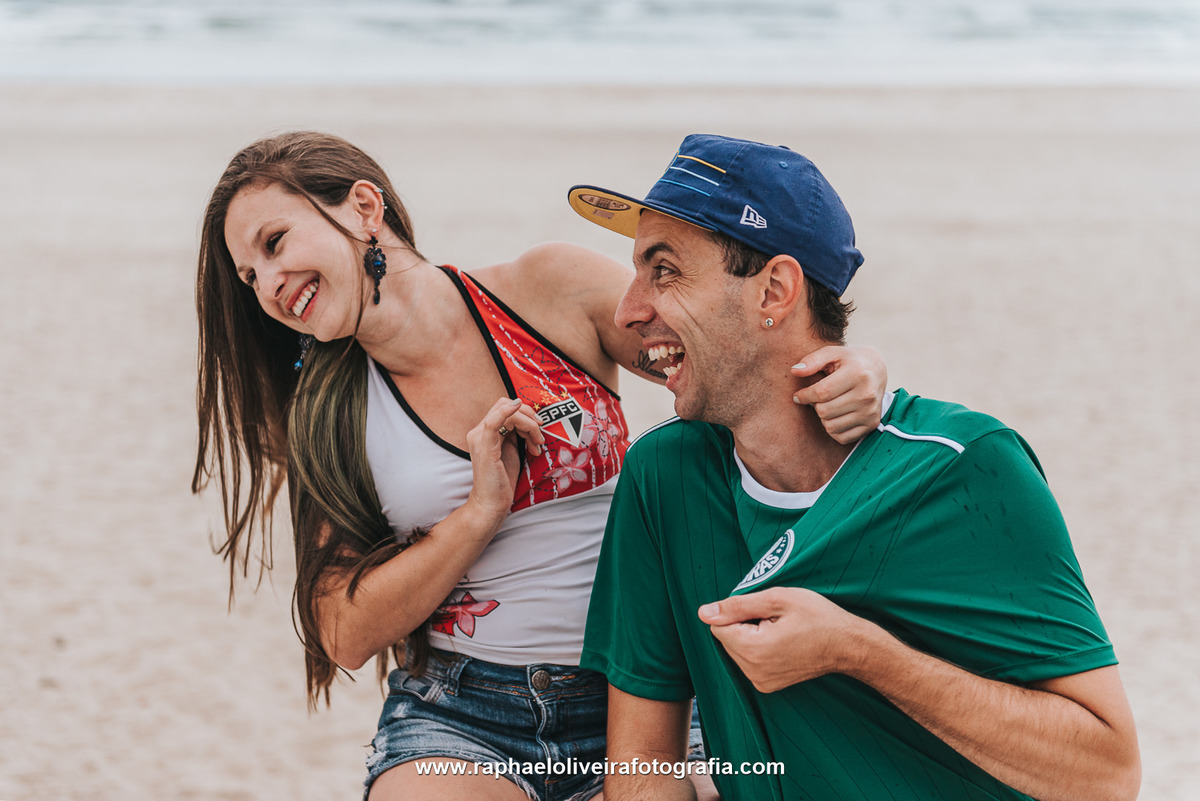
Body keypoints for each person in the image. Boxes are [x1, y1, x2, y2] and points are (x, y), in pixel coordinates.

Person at [191, 131, 889, 801]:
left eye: (275, 243)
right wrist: (476, 514)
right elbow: (343, 632)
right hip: (463, 716)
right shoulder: (328, 412)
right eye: (251, 276)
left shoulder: (547, 289)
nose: (271, 285)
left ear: (364, 207)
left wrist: (859, 365)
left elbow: (726, 353)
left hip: (648, 687)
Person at [572, 134, 1141, 801]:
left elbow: (1107, 772)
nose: (628, 309)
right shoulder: (662, 477)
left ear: (774, 292)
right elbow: (643, 767)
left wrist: (859, 652)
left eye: (663, 270)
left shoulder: (965, 467)